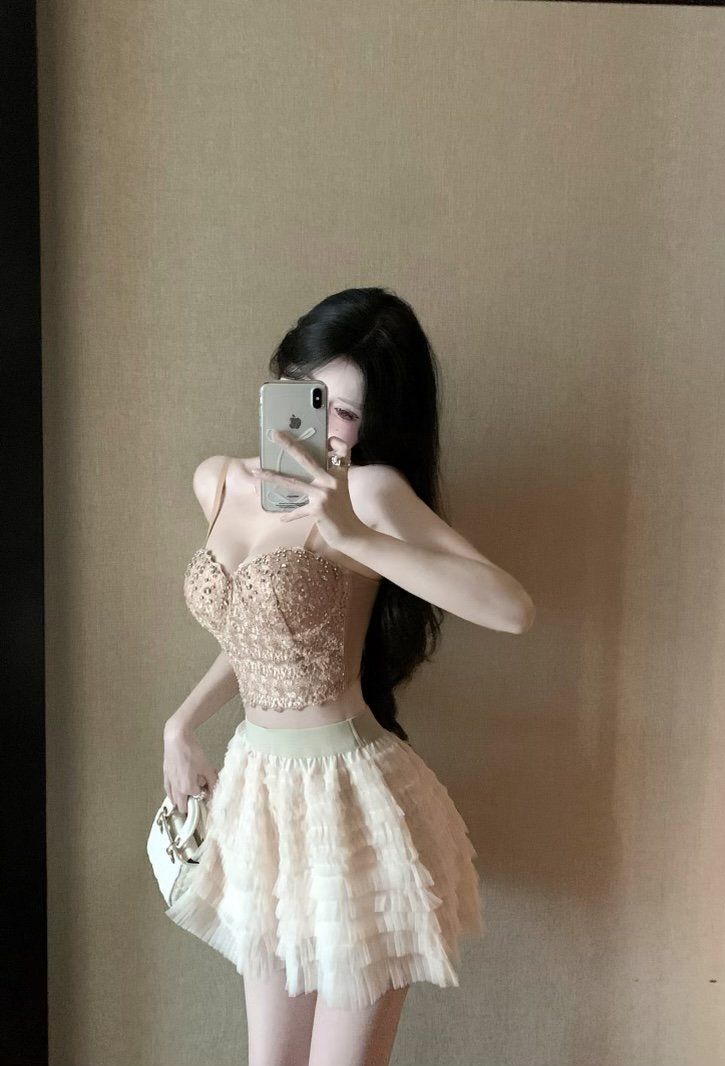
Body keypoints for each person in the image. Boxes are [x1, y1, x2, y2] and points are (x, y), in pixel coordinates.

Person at [161, 287, 535, 1066]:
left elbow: (511, 609)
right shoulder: (218, 481)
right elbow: (259, 637)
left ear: (374, 423)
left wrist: (354, 536)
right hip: (260, 797)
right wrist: (181, 723)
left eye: (346, 412)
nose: (322, 423)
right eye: (307, 393)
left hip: (350, 804)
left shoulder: (368, 493)